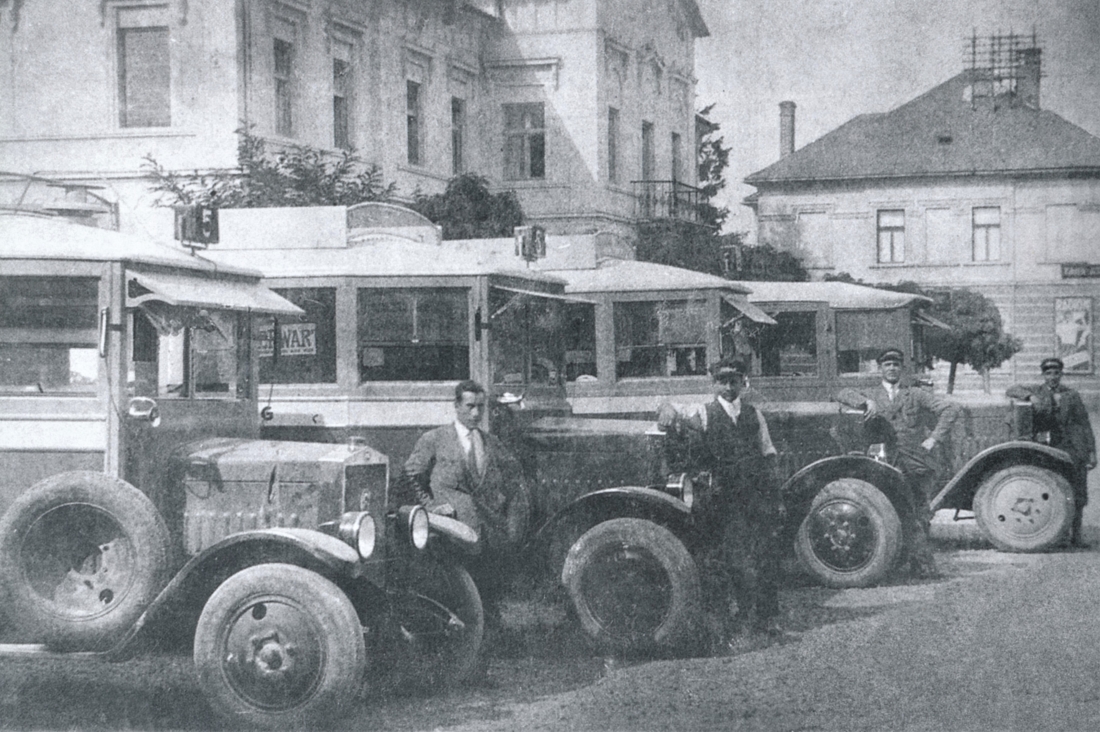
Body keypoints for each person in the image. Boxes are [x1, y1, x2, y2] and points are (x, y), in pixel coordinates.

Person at [657, 357, 786, 644]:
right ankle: (733, 619)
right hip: (722, 499)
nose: (728, 387)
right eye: (722, 381)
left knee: (764, 556)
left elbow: (769, 453)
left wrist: (773, 494)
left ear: (743, 382)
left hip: (754, 496)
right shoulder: (704, 412)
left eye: (734, 381)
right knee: (728, 559)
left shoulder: (755, 414)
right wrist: (665, 407)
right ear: (713, 383)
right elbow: (672, 410)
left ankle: (767, 618)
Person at [403, 380, 531, 628]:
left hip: (487, 535)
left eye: (480, 407)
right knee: (458, 596)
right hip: (450, 535)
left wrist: (509, 524)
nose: (475, 413)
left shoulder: (491, 443)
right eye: (470, 406)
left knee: (487, 598)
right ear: (456, 406)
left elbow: (515, 482)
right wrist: (430, 509)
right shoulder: (435, 439)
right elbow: (410, 478)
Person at [835, 348, 960, 579]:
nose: (891, 368)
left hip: (916, 461)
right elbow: (841, 392)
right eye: (887, 365)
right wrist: (864, 401)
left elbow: (951, 409)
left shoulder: (914, 394)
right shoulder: (872, 394)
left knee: (920, 513)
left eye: (895, 365)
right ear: (880, 369)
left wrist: (933, 439)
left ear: (902, 369)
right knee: (893, 510)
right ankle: (910, 563)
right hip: (885, 461)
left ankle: (920, 566)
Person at [1006, 357, 1098, 548]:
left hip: (1074, 448)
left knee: (1078, 492)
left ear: (1061, 374)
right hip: (1052, 448)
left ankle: (1077, 536)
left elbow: (1084, 423)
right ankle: (1060, 535)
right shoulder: (1037, 391)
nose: (1053, 377)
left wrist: (1091, 452)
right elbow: (1011, 389)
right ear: (1044, 375)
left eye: (1056, 373)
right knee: (1057, 490)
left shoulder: (1071, 395)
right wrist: (1030, 397)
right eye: (1048, 373)